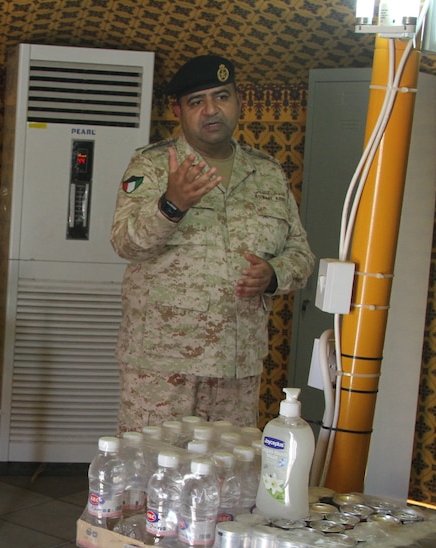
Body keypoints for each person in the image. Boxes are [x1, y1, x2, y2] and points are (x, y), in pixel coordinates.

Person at [110, 54, 315, 431]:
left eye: (221, 97)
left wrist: (273, 275)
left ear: (239, 102)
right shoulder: (153, 166)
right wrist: (171, 205)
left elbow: (301, 254)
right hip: (162, 363)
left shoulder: (267, 172)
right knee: (154, 473)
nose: (210, 110)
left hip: (235, 363)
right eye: (196, 102)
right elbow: (126, 244)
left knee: (226, 478)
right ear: (179, 110)